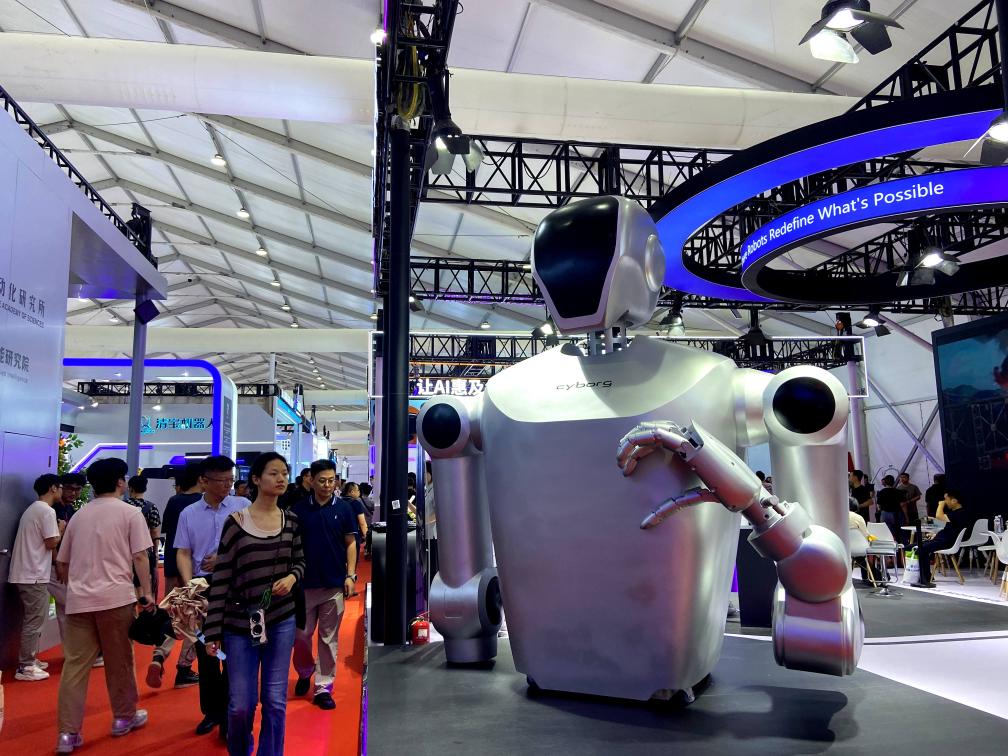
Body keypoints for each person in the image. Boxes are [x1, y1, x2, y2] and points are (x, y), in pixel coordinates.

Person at [203, 452, 304, 756]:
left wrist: (292, 578)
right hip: (238, 623)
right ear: (257, 479)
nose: (281, 478)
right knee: (240, 705)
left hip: (281, 619)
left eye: (284, 473)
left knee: (275, 701)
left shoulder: (291, 521)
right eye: (274, 473)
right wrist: (213, 630)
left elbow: (300, 562)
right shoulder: (236, 523)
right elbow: (222, 577)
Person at [54, 458, 155, 754]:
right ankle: (123, 718)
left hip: (79, 602)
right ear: (120, 482)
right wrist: (147, 593)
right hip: (116, 599)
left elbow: (62, 561)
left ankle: (67, 734)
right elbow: (140, 556)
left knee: (75, 667)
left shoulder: (79, 516)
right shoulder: (130, 513)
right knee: (119, 662)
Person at [175, 455, 251, 738]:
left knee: (233, 650)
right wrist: (190, 587)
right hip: (202, 588)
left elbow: (250, 545)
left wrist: (223, 558)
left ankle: (232, 711)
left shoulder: (243, 507)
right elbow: (183, 552)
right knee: (206, 652)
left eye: (231, 480)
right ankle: (212, 711)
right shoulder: (189, 513)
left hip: (235, 587)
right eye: (222, 481)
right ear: (204, 481)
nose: (228, 485)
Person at [291, 459, 358, 709]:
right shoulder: (298, 510)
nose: (327, 485)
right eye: (322, 481)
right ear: (311, 480)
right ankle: (305, 670)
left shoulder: (344, 508)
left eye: (331, 480)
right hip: (304, 586)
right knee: (301, 636)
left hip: (333, 584)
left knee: (329, 639)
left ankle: (323, 687)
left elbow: (351, 543)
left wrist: (350, 575)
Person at [148, 462, 203, 689]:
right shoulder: (202, 504)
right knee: (196, 621)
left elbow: (169, 533)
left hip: (172, 567)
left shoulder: (174, 501)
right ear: (201, 479)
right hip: (196, 571)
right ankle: (184, 668)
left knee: (173, 616)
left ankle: (159, 654)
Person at [9, 474, 62, 682]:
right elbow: (51, 542)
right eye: (60, 487)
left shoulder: (34, 509)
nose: (62, 491)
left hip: (27, 572)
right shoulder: (47, 511)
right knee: (34, 620)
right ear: (53, 488)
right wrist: (61, 529)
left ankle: (29, 661)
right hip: (34, 574)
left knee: (32, 619)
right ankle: (26, 666)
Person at [50, 473, 86, 641]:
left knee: (65, 610)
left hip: (66, 564)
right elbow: (51, 541)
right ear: (60, 488)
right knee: (69, 607)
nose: (73, 493)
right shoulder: (52, 510)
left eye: (77, 489)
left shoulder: (71, 510)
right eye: (70, 488)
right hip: (54, 565)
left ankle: (70, 649)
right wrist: (58, 563)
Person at [126, 476, 161, 600]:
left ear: (130, 488)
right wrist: (155, 552)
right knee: (145, 580)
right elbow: (155, 532)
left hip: (125, 550)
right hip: (144, 549)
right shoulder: (151, 507)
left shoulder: (123, 505)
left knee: (129, 582)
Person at [918, 488, 971, 571]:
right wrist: (933, 530)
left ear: (954, 501)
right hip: (940, 540)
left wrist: (940, 504)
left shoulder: (959, 513)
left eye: (946, 499)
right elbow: (943, 523)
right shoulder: (955, 513)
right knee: (912, 547)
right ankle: (920, 574)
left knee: (920, 549)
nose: (945, 501)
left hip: (945, 542)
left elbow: (939, 516)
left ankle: (924, 575)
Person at [874, 475, 906, 543]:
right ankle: (902, 547)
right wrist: (906, 516)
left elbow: (878, 505)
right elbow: (902, 505)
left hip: (885, 514)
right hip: (897, 513)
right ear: (893, 482)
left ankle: (890, 547)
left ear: (885, 482)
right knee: (900, 532)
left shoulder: (881, 492)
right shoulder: (898, 492)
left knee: (887, 533)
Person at [423, 461, 438, 581]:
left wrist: (424, 522)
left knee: (433, 564)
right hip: (427, 533)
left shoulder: (435, 490)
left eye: (424, 473)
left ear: (429, 474)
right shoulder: (427, 489)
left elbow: (438, 514)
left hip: (433, 534)